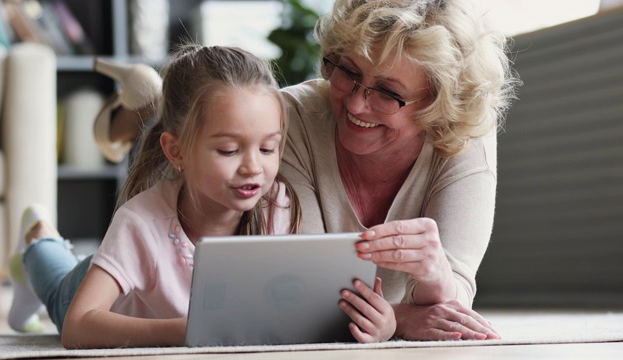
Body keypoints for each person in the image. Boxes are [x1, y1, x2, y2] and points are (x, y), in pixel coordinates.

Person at [87, 0, 520, 342]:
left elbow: (452, 306)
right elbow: (303, 294)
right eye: (348, 72)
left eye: (387, 93)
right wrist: (399, 321)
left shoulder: (464, 138)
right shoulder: (288, 119)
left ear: (438, 107)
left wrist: (435, 275)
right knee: (71, 282)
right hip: (156, 265)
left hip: (187, 282)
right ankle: (44, 243)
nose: (354, 103)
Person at [7, 44, 316, 348]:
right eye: (229, 150)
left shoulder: (277, 205)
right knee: (58, 279)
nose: (253, 167)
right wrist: (185, 332)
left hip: (127, 266)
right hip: (88, 292)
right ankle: (37, 239)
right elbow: (77, 327)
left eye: (267, 148)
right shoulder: (141, 221)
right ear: (176, 151)